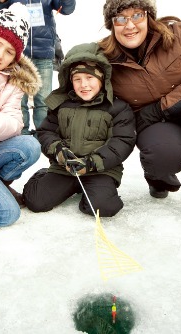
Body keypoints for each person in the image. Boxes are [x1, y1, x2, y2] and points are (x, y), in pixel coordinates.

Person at [23, 42, 136, 217]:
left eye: (90, 78)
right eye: (77, 79)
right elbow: (45, 132)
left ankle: (94, 191)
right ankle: (45, 177)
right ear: (70, 81)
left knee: (103, 208)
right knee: (36, 201)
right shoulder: (61, 104)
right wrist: (58, 151)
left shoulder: (118, 108)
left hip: (101, 169)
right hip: (65, 168)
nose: (84, 84)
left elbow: (122, 142)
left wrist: (92, 162)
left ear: (102, 78)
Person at [99, 0, 181, 199]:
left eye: (137, 15)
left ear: (148, 16)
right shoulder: (106, 59)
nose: (130, 25)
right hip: (158, 126)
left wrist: (157, 109)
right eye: (121, 18)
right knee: (162, 154)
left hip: (166, 112)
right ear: (112, 24)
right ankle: (158, 175)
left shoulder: (180, 36)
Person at [0, 3, 41, 227]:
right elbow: (3, 124)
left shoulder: (13, 82)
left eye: (9, 51)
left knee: (29, 145)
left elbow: (15, 125)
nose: (0, 54)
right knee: (6, 214)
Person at [0, 0, 76, 136]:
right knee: (19, 102)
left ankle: (45, 135)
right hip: (15, 56)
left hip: (44, 52)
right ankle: (20, 135)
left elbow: (67, 9)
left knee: (44, 100)